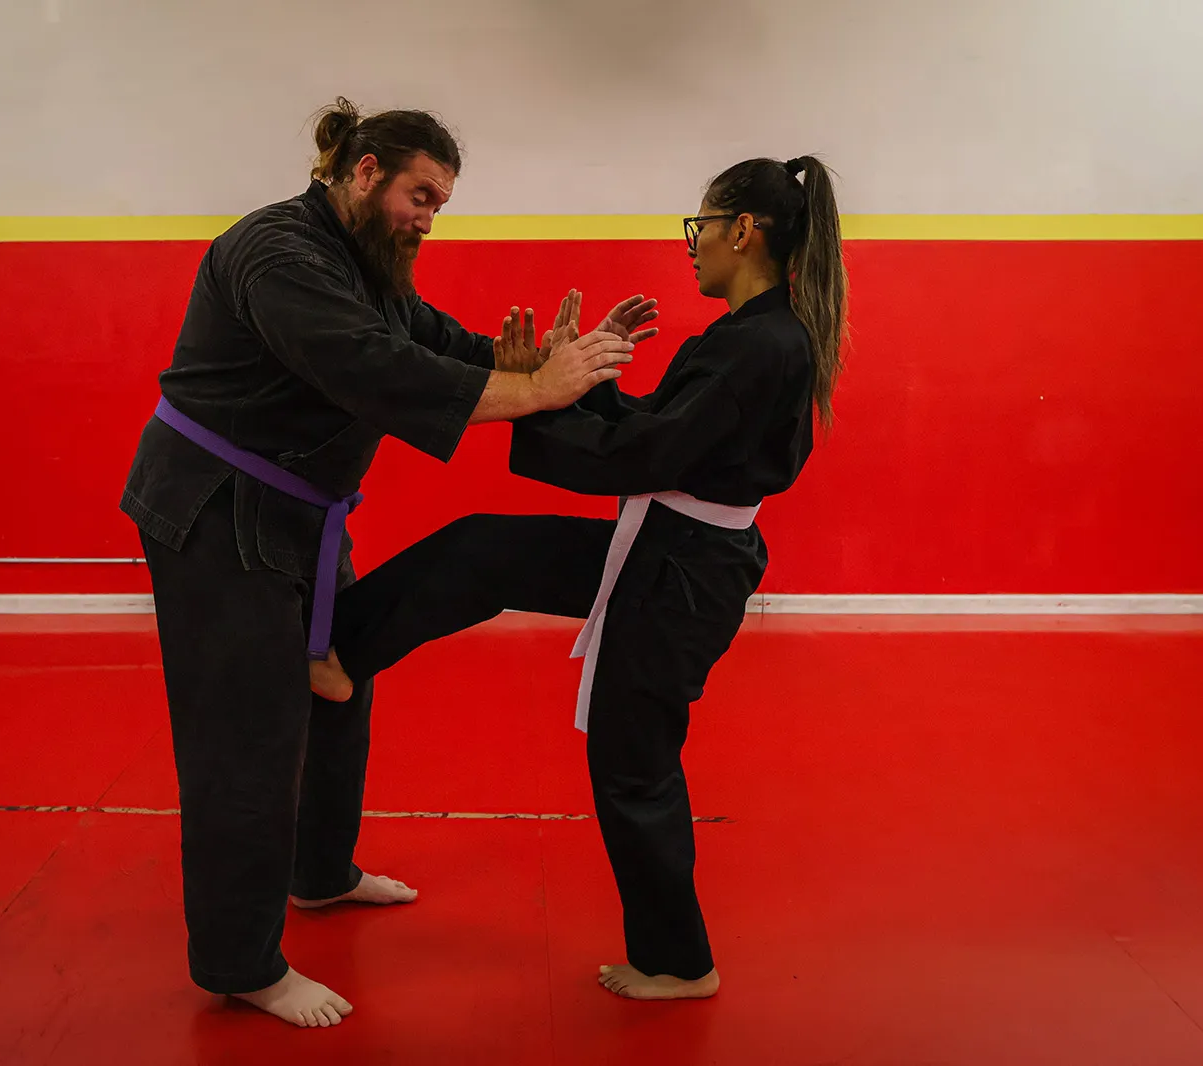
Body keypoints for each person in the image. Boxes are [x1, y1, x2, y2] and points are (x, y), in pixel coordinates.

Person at [119, 96, 653, 1028]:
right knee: (247, 738)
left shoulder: (364, 264)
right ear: (364, 171)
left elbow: (434, 342)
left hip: (299, 517)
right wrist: (531, 388)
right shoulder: (277, 253)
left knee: (342, 679)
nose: (428, 218)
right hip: (214, 511)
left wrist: (534, 362)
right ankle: (241, 964)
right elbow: (375, 368)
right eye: (421, 195)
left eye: (439, 204)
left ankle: (320, 873)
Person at [310, 154, 848, 1002]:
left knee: (633, 764)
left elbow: (645, 453)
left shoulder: (761, 343)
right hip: (670, 546)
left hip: (680, 571)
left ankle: (678, 962)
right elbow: (656, 428)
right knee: (485, 549)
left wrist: (539, 395)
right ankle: (343, 652)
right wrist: (581, 376)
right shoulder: (751, 335)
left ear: (743, 231)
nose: (693, 244)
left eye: (701, 226)